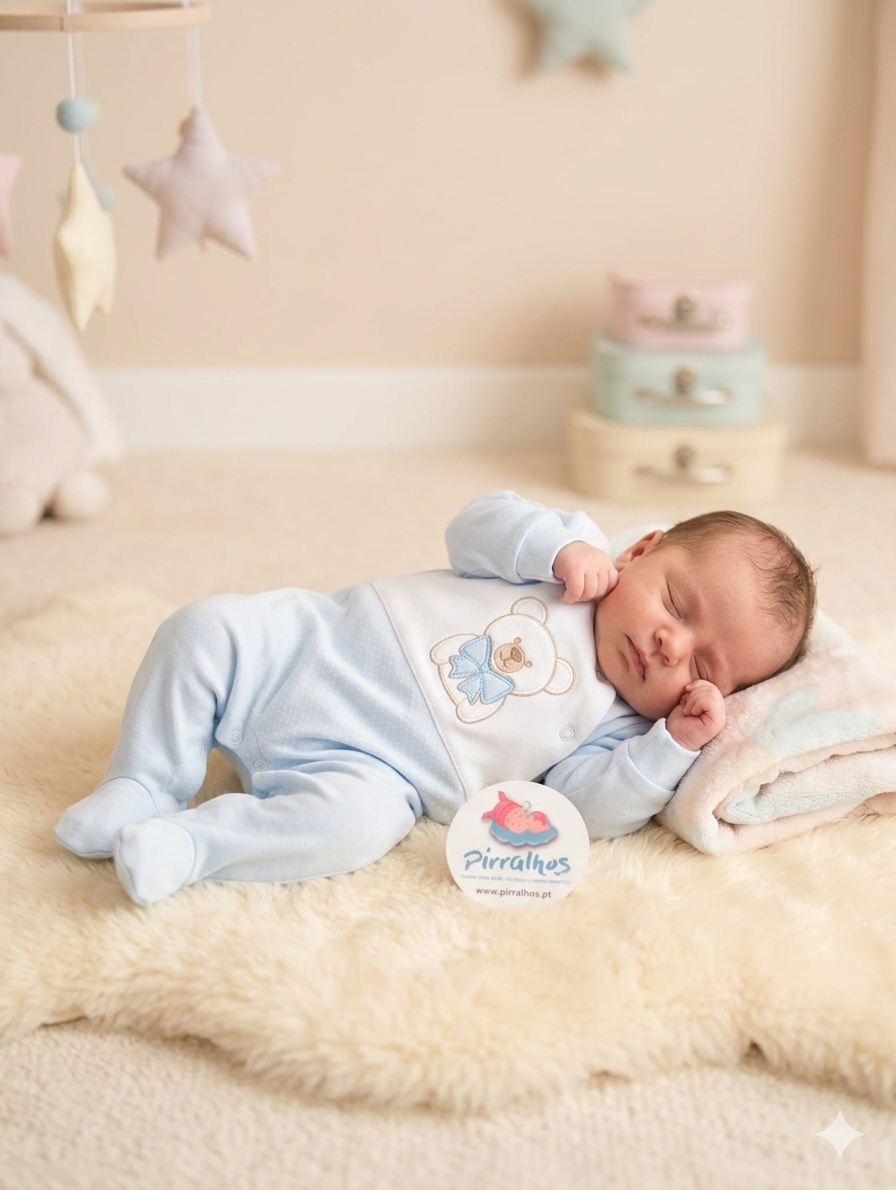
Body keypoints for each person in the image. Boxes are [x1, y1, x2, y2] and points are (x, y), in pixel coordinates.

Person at [55, 490, 816, 906]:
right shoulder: (569, 554)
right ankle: (143, 783)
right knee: (203, 627)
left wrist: (670, 749)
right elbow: (472, 528)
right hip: (310, 648)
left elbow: (586, 810)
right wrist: (551, 548)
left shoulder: (621, 725)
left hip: (374, 767)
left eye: (703, 665)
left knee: (353, 830)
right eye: (677, 607)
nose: (669, 647)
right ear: (642, 550)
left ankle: (192, 847)